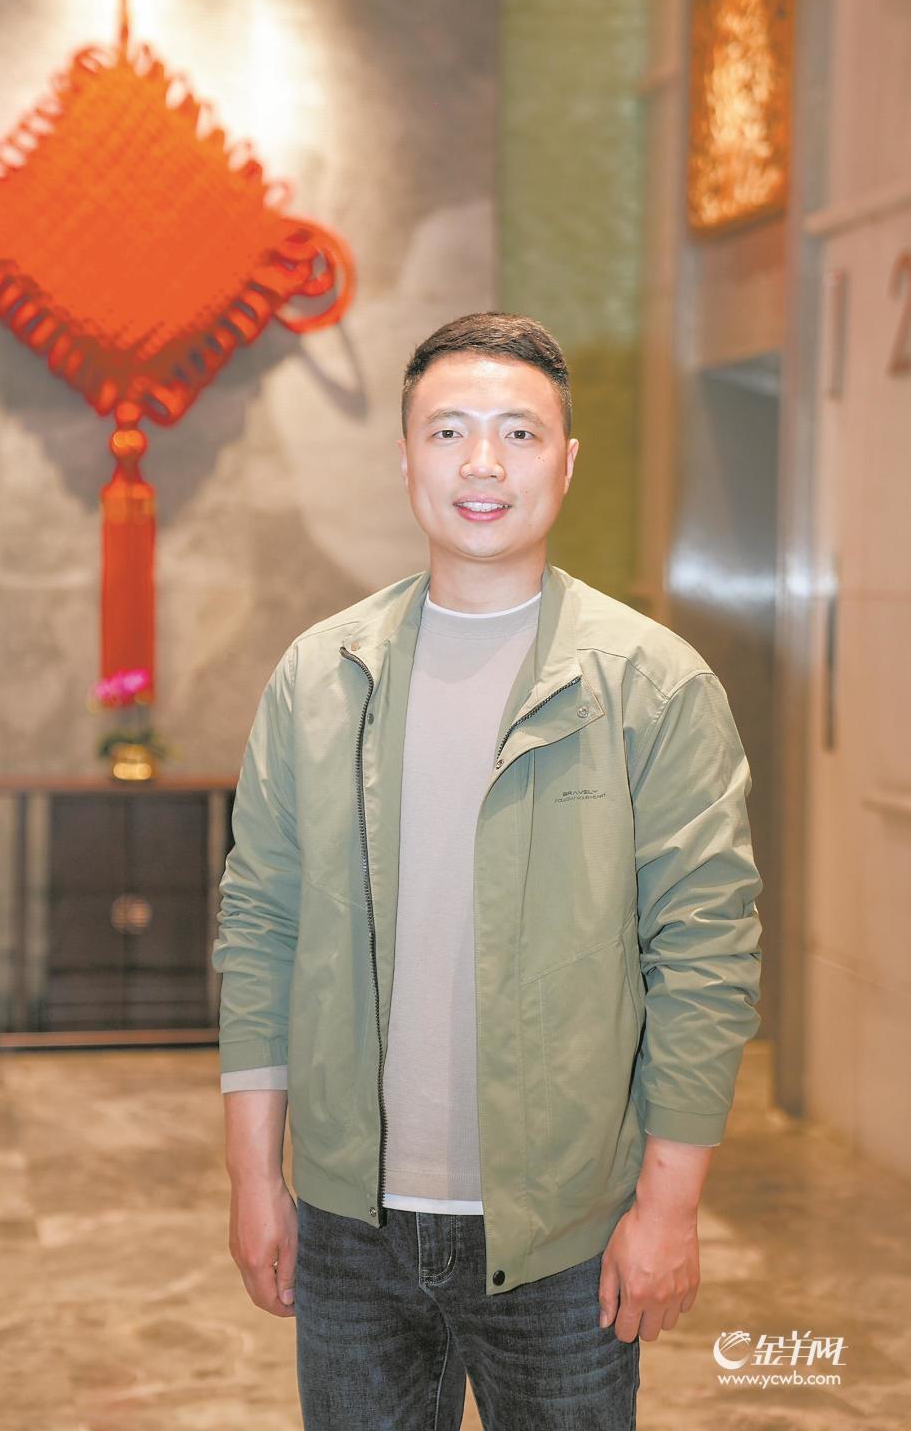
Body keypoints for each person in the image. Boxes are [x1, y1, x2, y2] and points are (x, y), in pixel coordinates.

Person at [212, 311, 764, 1430]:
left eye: (518, 433)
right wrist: (254, 1177)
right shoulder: (320, 678)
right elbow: (261, 929)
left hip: (566, 1238)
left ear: (566, 463)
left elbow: (707, 956)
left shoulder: (653, 686)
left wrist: (669, 1207)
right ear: (404, 458)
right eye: (448, 431)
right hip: (351, 1229)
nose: (481, 464)